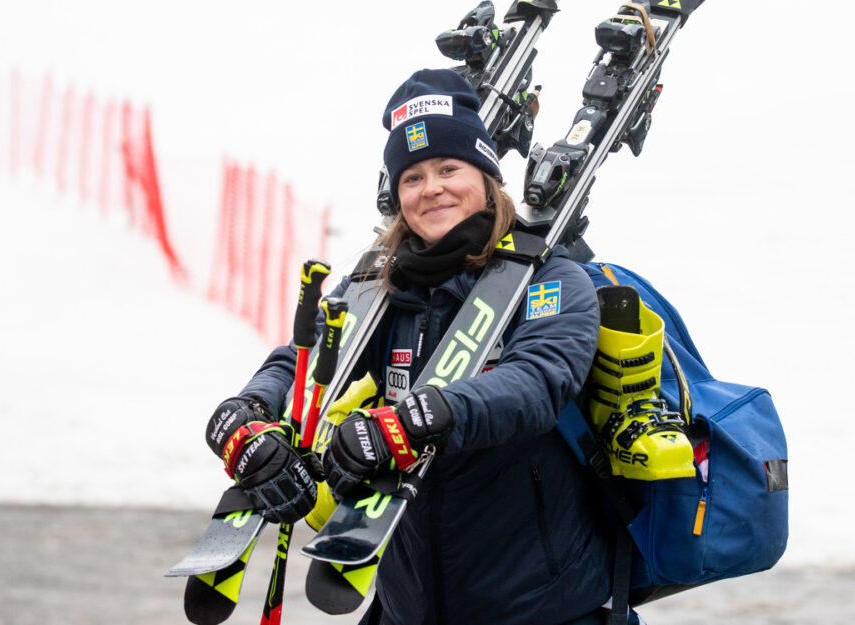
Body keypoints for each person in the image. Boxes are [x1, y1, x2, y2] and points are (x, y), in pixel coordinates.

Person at [205, 69, 617, 625]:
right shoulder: (384, 285)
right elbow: (307, 360)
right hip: (409, 604)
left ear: (488, 176)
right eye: (413, 177)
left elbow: (538, 382)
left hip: (539, 606)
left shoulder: (551, 279)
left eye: (449, 168)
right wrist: (248, 414)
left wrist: (415, 421)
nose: (432, 188)